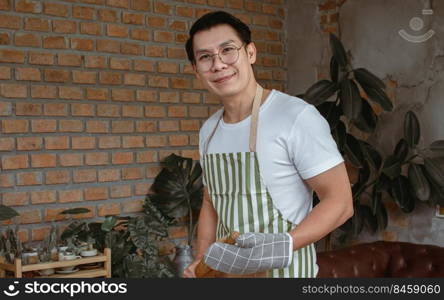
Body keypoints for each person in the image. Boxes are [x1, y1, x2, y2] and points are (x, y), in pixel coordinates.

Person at [182, 11, 353, 278]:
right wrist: (203, 260)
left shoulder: (295, 116)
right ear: (196, 69)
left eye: (228, 50)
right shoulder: (209, 131)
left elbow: (341, 202)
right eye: (205, 57)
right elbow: (210, 202)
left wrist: (281, 246)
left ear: (250, 53)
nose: (218, 64)